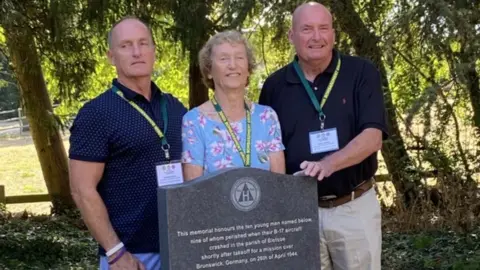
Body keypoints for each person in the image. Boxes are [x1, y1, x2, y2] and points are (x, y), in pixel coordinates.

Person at [259, 2, 388, 270]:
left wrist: (328, 164)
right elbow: (268, 150)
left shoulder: (361, 73)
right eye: (307, 29)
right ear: (291, 36)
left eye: (323, 28)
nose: (316, 37)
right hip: (300, 214)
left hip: (353, 209)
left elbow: (373, 136)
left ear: (333, 34)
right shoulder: (274, 86)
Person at [68, 17, 187, 270]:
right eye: (126, 45)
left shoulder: (175, 108)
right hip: (130, 257)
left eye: (143, 43)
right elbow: (81, 190)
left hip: (181, 248)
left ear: (154, 51)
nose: (136, 52)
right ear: (111, 56)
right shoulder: (96, 114)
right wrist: (115, 252)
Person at [182, 30, 285, 180]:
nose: (233, 65)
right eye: (224, 59)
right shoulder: (194, 121)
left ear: (248, 69)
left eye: (239, 57)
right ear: (209, 70)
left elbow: (279, 184)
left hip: (266, 203)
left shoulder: (267, 117)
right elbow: (192, 193)